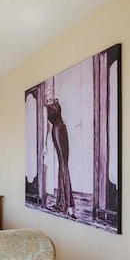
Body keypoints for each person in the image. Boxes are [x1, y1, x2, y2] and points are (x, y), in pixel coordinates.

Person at [43, 78, 76, 218]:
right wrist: (45, 145)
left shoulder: (57, 103)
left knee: (65, 164)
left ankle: (63, 201)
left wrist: (66, 124)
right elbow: (47, 127)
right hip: (56, 131)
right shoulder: (46, 108)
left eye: (52, 92)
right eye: (48, 93)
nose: (50, 94)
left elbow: (62, 116)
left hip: (63, 130)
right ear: (45, 96)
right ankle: (69, 206)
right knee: (63, 165)